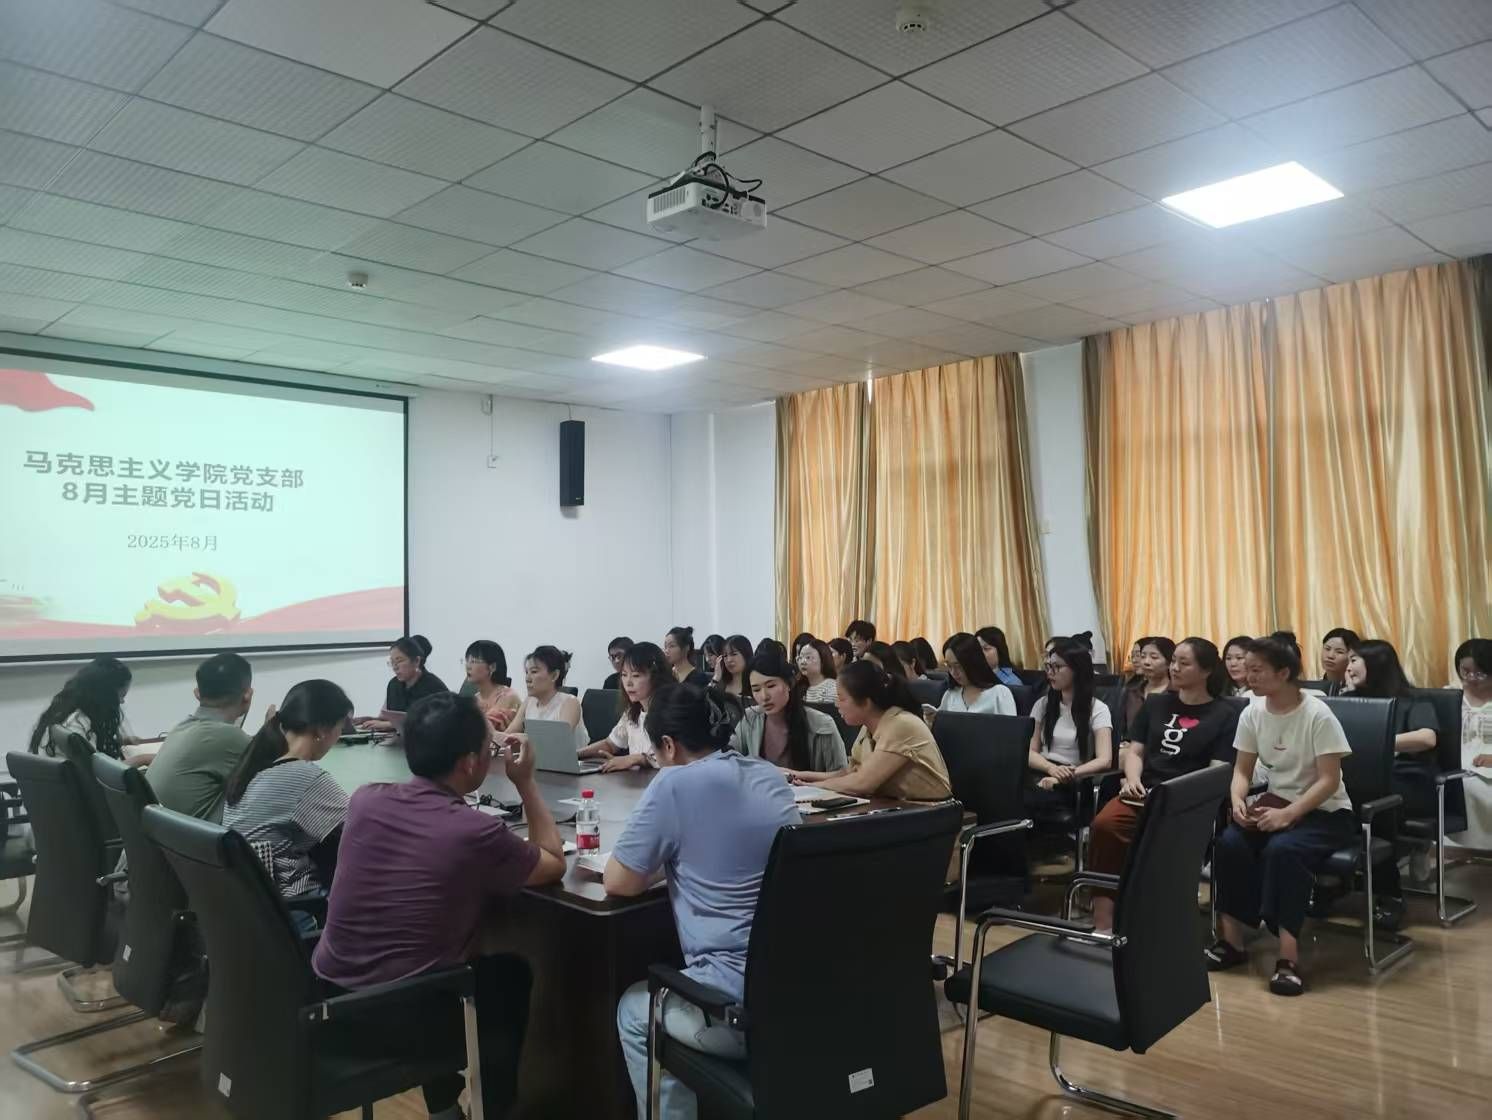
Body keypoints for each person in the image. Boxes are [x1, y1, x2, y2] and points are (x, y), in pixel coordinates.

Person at [314, 692, 566, 1120]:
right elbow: (553, 862)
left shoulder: (365, 800)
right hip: (402, 1020)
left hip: (332, 1001)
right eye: (488, 750)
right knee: (507, 975)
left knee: (440, 955)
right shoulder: (473, 832)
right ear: (469, 763)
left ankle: (446, 1109)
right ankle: (496, 1111)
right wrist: (525, 782)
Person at [608, 684, 800, 1120]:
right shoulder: (767, 775)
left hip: (738, 1010)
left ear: (668, 745)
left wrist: (667, 859)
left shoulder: (674, 782)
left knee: (636, 1009)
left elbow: (620, 881)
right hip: (803, 991)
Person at [1206, 636, 1356, 996]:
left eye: (1257, 670)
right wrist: (1237, 801)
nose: (1249, 676)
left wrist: (1289, 813)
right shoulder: (1253, 712)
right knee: (1228, 843)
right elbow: (1242, 769)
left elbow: (1329, 780)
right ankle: (1232, 943)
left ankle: (1288, 959)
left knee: (1283, 851)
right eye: (1248, 669)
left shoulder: (1317, 714)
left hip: (1324, 811)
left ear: (1284, 673)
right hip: (1275, 804)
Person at [1089, 638, 1239, 931]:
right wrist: (1132, 779)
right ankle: (1104, 923)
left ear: (1206, 670)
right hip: (1143, 793)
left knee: (1162, 844)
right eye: (1173, 661)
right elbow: (1136, 752)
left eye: (1184, 663)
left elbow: (1217, 772)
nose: (1175, 668)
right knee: (1105, 826)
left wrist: (1176, 795)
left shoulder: (1225, 714)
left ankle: (1157, 922)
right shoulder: (1156, 703)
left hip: (1186, 802)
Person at [223, 680, 353, 930]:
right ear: (322, 730)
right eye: (340, 727)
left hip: (252, 913)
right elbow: (367, 832)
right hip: (296, 912)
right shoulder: (305, 777)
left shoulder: (254, 769)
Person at [1343, 639, 1439, 926]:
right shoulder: (1349, 700)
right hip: (1360, 780)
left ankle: (1390, 894)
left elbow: (1427, 738)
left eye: (1354, 660)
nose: (1348, 666)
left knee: (1375, 804)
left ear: (1375, 664)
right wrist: (1346, 698)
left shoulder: (1413, 701)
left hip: (1406, 780)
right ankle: (1328, 881)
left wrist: (1379, 741)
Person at [787, 661, 953, 801]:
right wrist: (801, 776)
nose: (836, 704)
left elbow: (861, 784)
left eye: (842, 698)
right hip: (894, 807)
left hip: (930, 812)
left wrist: (813, 788)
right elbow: (851, 772)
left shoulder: (901, 724)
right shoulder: (869, 726)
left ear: (866, 702)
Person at [145, 653, 258, 823]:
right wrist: (272, 731)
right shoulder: (228, 737)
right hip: (194, 838)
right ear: (247, 695)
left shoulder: (183, 726)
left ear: (197, 693)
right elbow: (277, 774)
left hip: (163, 834)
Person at [1025, 640, 1114, 812]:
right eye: (1048, 666)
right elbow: (1029, 751)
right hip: (1042, 769)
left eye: (1057, 667)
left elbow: (1105, 760)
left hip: (1074, 776)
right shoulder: (1043, 704)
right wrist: (1051, 768)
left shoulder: (1098, 709)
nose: (1050, 673)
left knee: (1033, 799)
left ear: (1077, 669)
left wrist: (1065, 775)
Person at [730, 652, 845, 773]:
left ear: (789, 684)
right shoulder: (750, 718)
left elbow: (841, 775)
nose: (764, 696)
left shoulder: (822, 724)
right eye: (756, 689)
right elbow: (729, 759)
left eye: (771, 686)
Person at [29, 656, 143, 762]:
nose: (122, 702)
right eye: (121, 696)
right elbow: (101, 771)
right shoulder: (75, 724)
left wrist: (119, 741)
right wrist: (142, 759)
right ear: (105, 695)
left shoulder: (68, 710)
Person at [581, 641, 671, 771]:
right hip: (635, 780)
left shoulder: (672, 711)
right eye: (624, 675)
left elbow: (674, 758)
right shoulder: (632, 711)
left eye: (636, 675)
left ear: (656, 677)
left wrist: (638, 759)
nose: (628, 683)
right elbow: (610, 744)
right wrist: (575, 754)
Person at [503, 645, 587, 752]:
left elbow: (559, 741)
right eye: (527, 672)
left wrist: (523, 739)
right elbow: (507, 736)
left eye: (534, 672)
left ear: (554, 675)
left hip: (572, 761)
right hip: (537, 759)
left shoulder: (570, 702)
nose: (527, 679)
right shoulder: (529, 701)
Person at [1452, 638, 1492, 849]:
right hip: (1455, 761)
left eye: (1479, 673)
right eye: (1465, 671)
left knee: (1474, 787)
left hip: (1488, 764)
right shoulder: (1450, 695)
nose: (1471, 678)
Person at [362, 636, 447, 732]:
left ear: (416, 661)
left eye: (399, 661)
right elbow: (389, 717)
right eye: (392, 662)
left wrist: (390, 725)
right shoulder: (393, 685)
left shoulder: (434, 687)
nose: (395, 667)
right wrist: (369, 720)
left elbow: (435, 723)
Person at [937, 634, 1015, 717]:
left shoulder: (999, 693)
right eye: (949, 666)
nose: (953, 672)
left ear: (974, 662)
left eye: (958, 666)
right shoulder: (950, 694)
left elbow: (1010, 725)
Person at [1121, 637, 1176, 732]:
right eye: (1143, 656)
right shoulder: (1131, 692)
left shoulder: (1177, 693)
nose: (1146, 662)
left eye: (1154, 657)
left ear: (1169, 663)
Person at [464, 639, 519, 729]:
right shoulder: (474, 699)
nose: (468, 666)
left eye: (473, 661)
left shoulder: (508, 696)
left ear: (492, 667)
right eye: (467, 661)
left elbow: (485, 730)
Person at [712, 635, 754, 703]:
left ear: (746, 655)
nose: (729, 660)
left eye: (734, 654)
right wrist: (716, 678)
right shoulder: (720, 684)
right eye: (725, 656)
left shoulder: (755, 684)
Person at [796, 638, 839, 704]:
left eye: (808, 657)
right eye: (800, 657)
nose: (802, 662)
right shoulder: (799, 687)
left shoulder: (833, 689)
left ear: (823, 660)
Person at [1319, 627, 1360, 695]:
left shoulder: (1358, 690)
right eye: (1327, 649)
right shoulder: (1312, 688)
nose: (1330, 656)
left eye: (1339, 652)